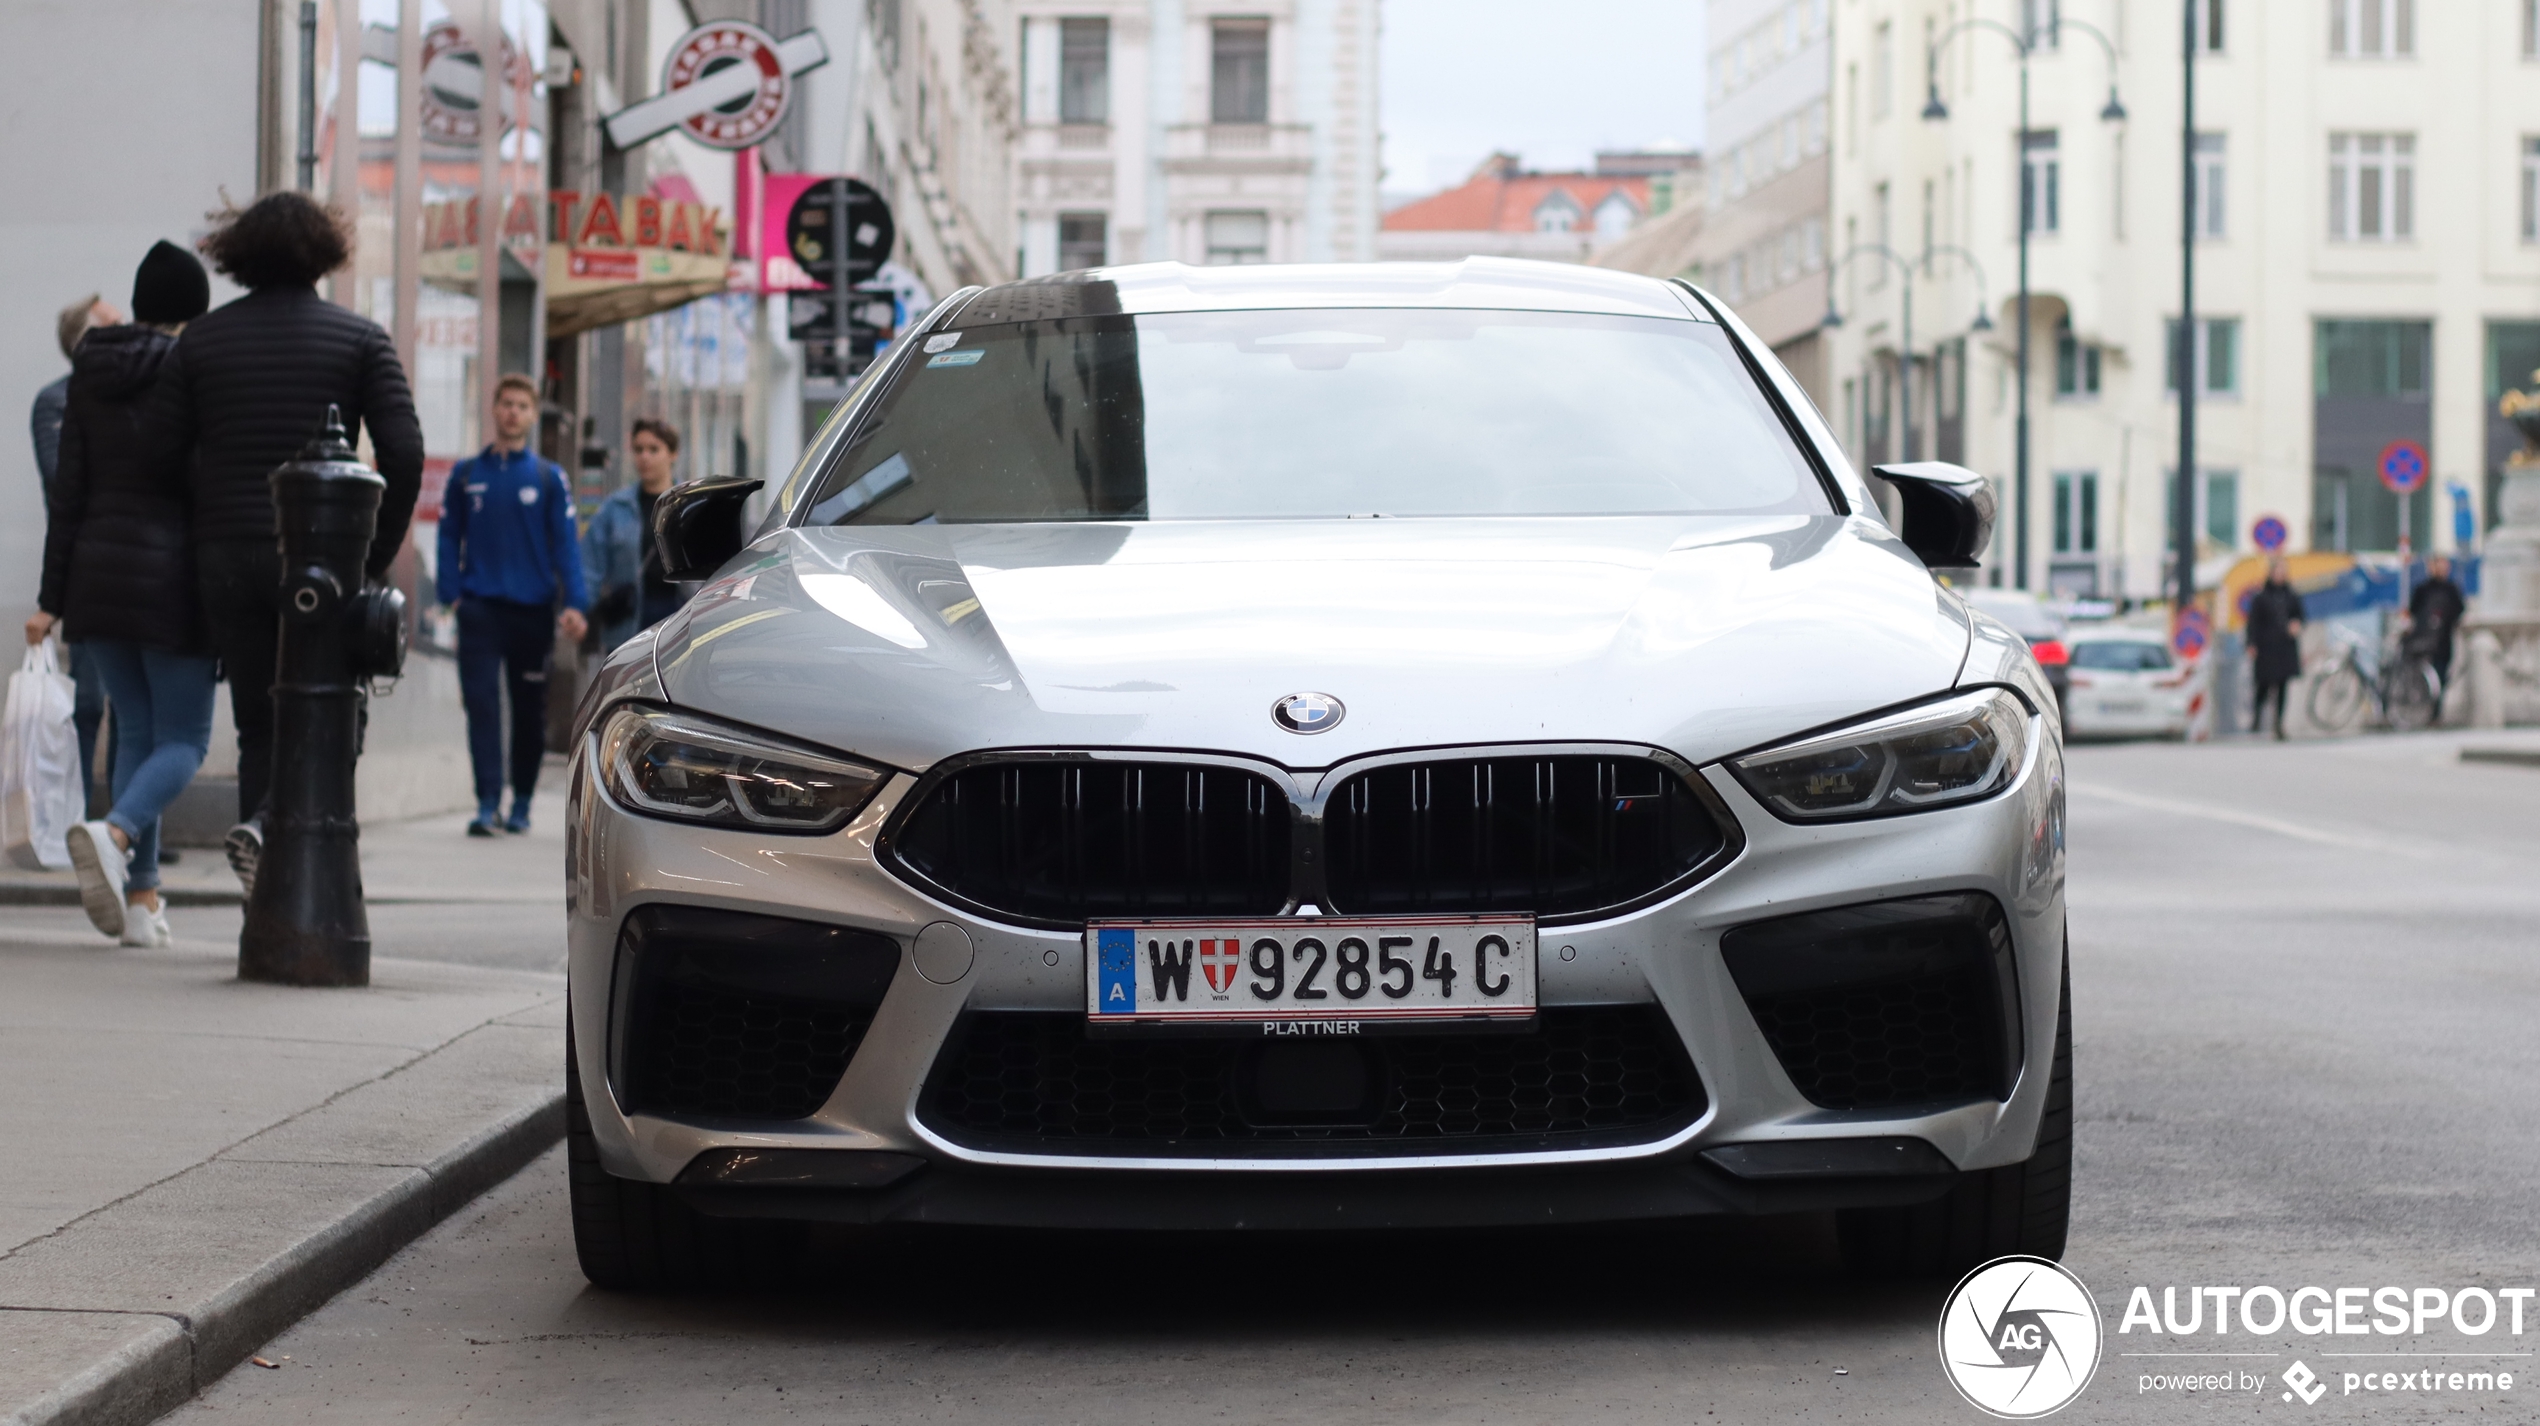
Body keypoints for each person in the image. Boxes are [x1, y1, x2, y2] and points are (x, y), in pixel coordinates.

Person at [141, 192, 424, 896]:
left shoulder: (199, 342)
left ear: (238, 254)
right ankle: (289, 848)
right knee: (332, 704)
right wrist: (373, 552)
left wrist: (215, 509)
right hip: (326, 556)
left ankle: (261, 890)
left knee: (256, 720)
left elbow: (161, 455)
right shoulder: (360, 339)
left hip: (229, 556)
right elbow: (405, 452)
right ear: (324, 252)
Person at [28, 242, 216, 945]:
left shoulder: (86, 375)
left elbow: (67, 496)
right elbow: (205, 484)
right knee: (187, 739)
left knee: (135, 730)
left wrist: (52, 601)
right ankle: (113, 832)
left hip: (95, 581)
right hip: (171, 579)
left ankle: (141, 904)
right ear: (193, 313)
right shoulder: (191, 370)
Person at [437, 373, 589, 836]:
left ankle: (520, 800)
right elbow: (448, 535)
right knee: (481, 705)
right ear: (494, 408)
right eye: (506, 403)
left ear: (532, 412)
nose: (512, 412)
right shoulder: (467, 474)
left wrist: (575, 602)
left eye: (522, 405)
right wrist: (451, 594)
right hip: (480, 608)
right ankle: (487, 802)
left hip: (532, 611)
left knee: (528, 708)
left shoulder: (547, 478)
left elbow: (566, 544)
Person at [33, 294, 123, 814]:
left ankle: (125, 828)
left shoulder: (135, 396)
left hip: (130, 572)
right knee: (87, 703)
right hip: (87, 574)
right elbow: (60, 480)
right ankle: (79, 819)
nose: (128, 330)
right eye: (113, 325)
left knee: (132, 711)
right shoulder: (56, 402)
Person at [582, 418, 688, 651]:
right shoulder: (616, 507)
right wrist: (579, 609)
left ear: (673, 454)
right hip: (628, 622)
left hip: (678, 618)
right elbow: (590, 565)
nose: (644, 457)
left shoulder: (691, 506)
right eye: (638, 450)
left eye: (654, 449)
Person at [2246, 558, 2305, 742]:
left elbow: (2300, 616)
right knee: (2263, 685)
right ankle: (2256, 717)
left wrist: (2296, 625)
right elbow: (2253, 623)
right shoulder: (2261, 597)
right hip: (2266, 647)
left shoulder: (2291, 595)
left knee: (2282, 686)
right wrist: (2251, 644)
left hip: (2284, 647)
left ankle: (2278, 724)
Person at [2405, 554, 2467, 693]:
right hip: (2421, 640)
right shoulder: (2422, 590)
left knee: (2441, 675)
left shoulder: (2451, 590)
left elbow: (2459, 612)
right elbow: (2413, 612)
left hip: (2443, 642)